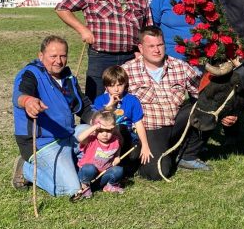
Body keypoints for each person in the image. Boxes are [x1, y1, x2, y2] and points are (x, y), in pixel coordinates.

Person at [122, 26, 235, 179]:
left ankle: (188, 155)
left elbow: (204, 94)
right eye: (151, 46)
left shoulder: (180, 66)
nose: (157, 50)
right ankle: (147, 157)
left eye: (160, 45)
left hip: (176, 122)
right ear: (141, 48)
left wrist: (222, 115)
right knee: (158, 173)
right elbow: (111, 104)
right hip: (150, 129)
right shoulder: (127, 71)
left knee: (204, 108)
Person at [56, 0, 151, 101]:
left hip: (131, 58)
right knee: (96, 103)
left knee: (129, 102)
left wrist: (143, 51)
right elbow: (62, 8)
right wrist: (83, 30)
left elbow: (148, 28)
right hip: (101, 57)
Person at [11, 36, 94, 196]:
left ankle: (75, 168)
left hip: (68, 135)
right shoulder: (31, 74)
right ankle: (26, 169)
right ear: (41, 56)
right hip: (43, 143)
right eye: (53, 56)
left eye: (63, 56)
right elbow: (19, 95)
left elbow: (83, 107)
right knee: (71, 190)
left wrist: (101, 119)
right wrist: (28, 101)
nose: (59, 61)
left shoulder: (68, 77)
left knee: (94, 131)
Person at [93, 65, 152, 171]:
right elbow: (97, 121)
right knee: (116, 127)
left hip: (126, 136)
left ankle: (124, 165)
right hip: (105, 136)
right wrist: (109, 106)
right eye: (111, 86)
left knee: (133, 154)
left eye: (119, 85)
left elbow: (138, 123)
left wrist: (145, 145)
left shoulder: (132, 100)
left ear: (125, 84)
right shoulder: (100, 100)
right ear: (106, 87)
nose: (116, 89)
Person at [75, 111, 125, 198]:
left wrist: (117, 156)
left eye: (108, 131)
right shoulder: (91, 140)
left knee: (118, 170)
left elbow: (118, 146)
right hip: (87, 176)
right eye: (101, 131)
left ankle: (109, 186)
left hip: (102, 177)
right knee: (89, 169)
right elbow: (79, 138)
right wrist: (95, 126)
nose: (105, 134)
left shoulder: (115, 140)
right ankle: (85, 187)